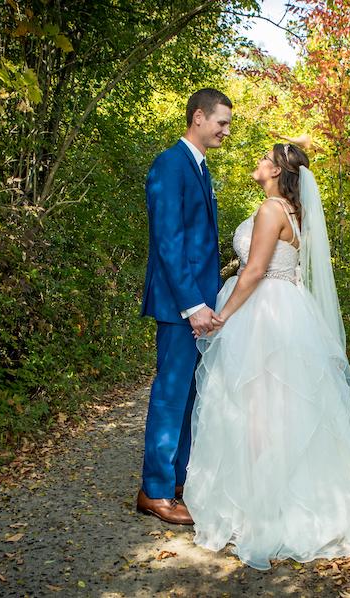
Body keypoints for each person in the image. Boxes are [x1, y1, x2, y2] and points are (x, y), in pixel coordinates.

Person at [183, 142, 350, 569]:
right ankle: (272, 495)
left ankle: (262, 506)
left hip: (264, 313)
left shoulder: (270, 211)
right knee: (279, 407)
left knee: (257, 408)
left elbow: (256, 270)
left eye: (266, 158)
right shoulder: (291, 212)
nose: (259, 161)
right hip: (286, 308)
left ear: (279, 171)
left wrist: (223, 315)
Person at [138, 88, 232, 525]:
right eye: (222, 123)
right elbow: (169, 242)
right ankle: (154, 491)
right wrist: (192, 304)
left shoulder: (200, 169)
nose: (225, 131)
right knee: (171, 393)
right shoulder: (169, 165)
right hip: (181, 304)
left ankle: (177, 482)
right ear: (198, 117)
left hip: (199, 302)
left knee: (191, 393)